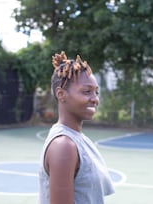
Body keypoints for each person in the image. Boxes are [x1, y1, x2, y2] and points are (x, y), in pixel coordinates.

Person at [39, 51, 115, 204]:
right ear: (61, 94)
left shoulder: (79, 139)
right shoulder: (63, 145)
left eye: (96, 92)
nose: (95, 99)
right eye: (87, 91)